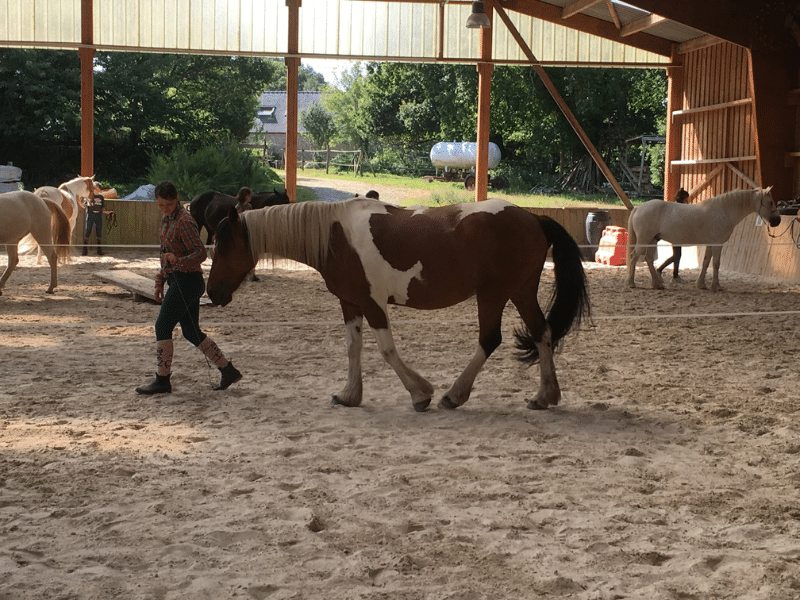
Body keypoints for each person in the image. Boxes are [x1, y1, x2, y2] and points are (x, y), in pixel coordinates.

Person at [135, 181, 242, 395]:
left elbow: (200, 253)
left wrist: (178, 262)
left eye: (169, 204)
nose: (165, 209)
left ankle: (162, 380)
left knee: (162, 326)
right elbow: (165, 253)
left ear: (177, 200)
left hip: (188, 280)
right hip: (179, 280)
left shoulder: (184, 221)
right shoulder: (166, 221)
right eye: (161, 205)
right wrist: (160, 279)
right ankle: (228, 370)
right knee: (192, 332)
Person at [657, 188, 690, 282]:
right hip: (676, 233)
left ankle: (675, 275)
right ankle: (660, 270)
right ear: (684, 199)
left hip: (675, 233)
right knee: (677, 255)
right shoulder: (680, 207)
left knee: (677, 255)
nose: (687, 201)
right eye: (686, 199)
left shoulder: (674, 205)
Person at [82, 185, 106, 256]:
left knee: (99, 231)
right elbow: (84, 205)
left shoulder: (101, 197)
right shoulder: (89, 197)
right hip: (90, 215)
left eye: (97, 188)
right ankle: (84, 250)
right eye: (95, 188)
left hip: (98, 215)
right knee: (88, 231)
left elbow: (103, 207)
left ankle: (99, 250)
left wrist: (105, 211)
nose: (96, 189)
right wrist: (80, 202)